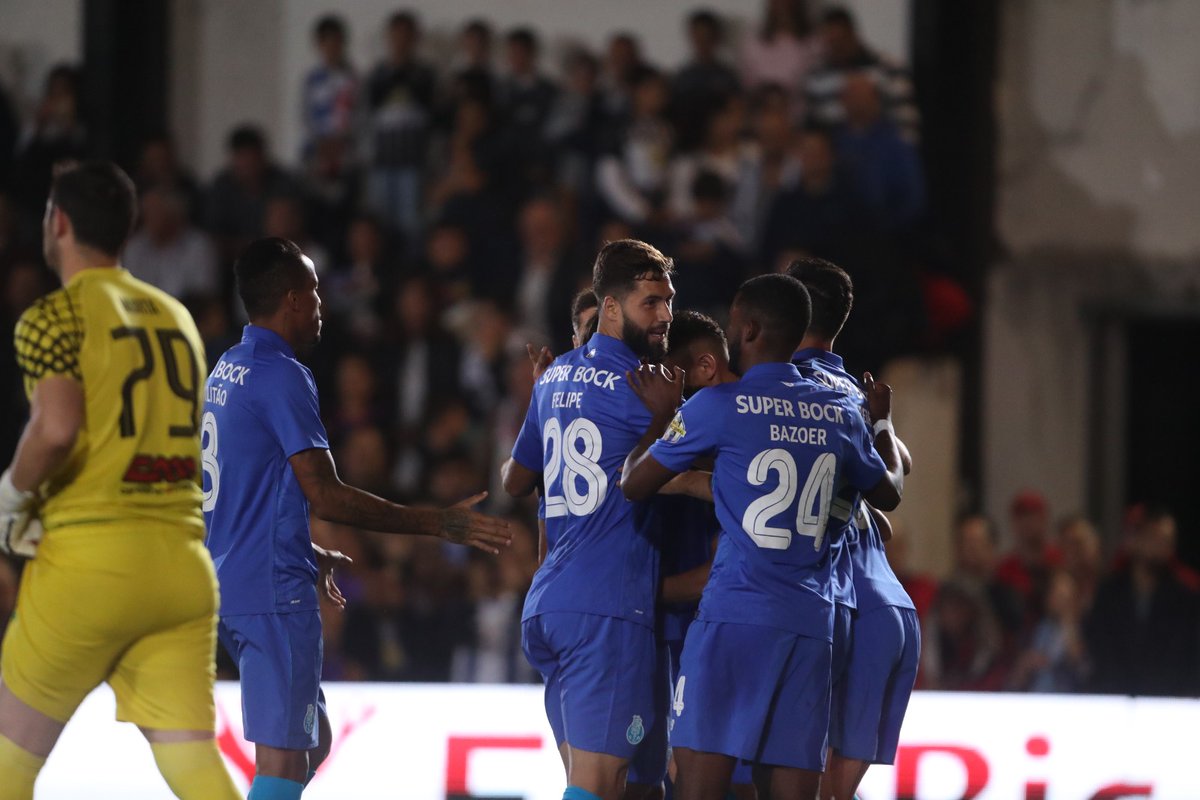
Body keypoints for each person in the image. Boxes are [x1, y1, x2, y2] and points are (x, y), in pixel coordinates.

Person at [202, 237, 511, 799]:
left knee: (312, 739)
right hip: (270, 590)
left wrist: (304, 547)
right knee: (283, 759)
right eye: (316, 292)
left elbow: (240, 487)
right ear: (294, 299)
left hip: (234, 578)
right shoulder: (282, 374)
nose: (322, 305)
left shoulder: (228, 367)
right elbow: (327, 496)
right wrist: (436, 523)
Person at [0, 160, 240, 799]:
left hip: (91, 566)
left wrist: (10, 498)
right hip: (183, 568)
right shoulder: (177, 317)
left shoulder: (54, 316)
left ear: (60, 223)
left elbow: (55, 430)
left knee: (7, 767)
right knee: (193, 766)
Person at [621, 273, 904, 800]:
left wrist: (662, 415)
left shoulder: (719, 406)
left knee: (699, 789)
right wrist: (882, 424)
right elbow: (887, 496)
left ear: (748, 329)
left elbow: (633, 484)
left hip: (736, 619)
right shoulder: (839, 413)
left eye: (732, 323)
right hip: (811, 626)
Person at [501, 239, 675, 800]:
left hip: (550, 603)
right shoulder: (646, 391)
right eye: (652, 302)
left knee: (592, 782)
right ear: (612, 309)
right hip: (607, 608)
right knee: (599, 787)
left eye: (668, 301)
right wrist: (665, 419)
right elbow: (665, 475)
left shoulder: (552, 379)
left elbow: (514, 480)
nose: (665, 315)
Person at [788, 257, 918, 800]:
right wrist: (882, 421)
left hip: (842, 611)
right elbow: (901, 463)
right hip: (893, 609)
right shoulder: (850, 395)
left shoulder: (780, 387)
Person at [654, 310, 755, 800]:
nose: (670, 396)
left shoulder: (720, 427)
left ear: (705, 368)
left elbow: (717, 568)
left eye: (676, 377)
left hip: (729, 634)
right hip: (729, 631)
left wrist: (640, 592)